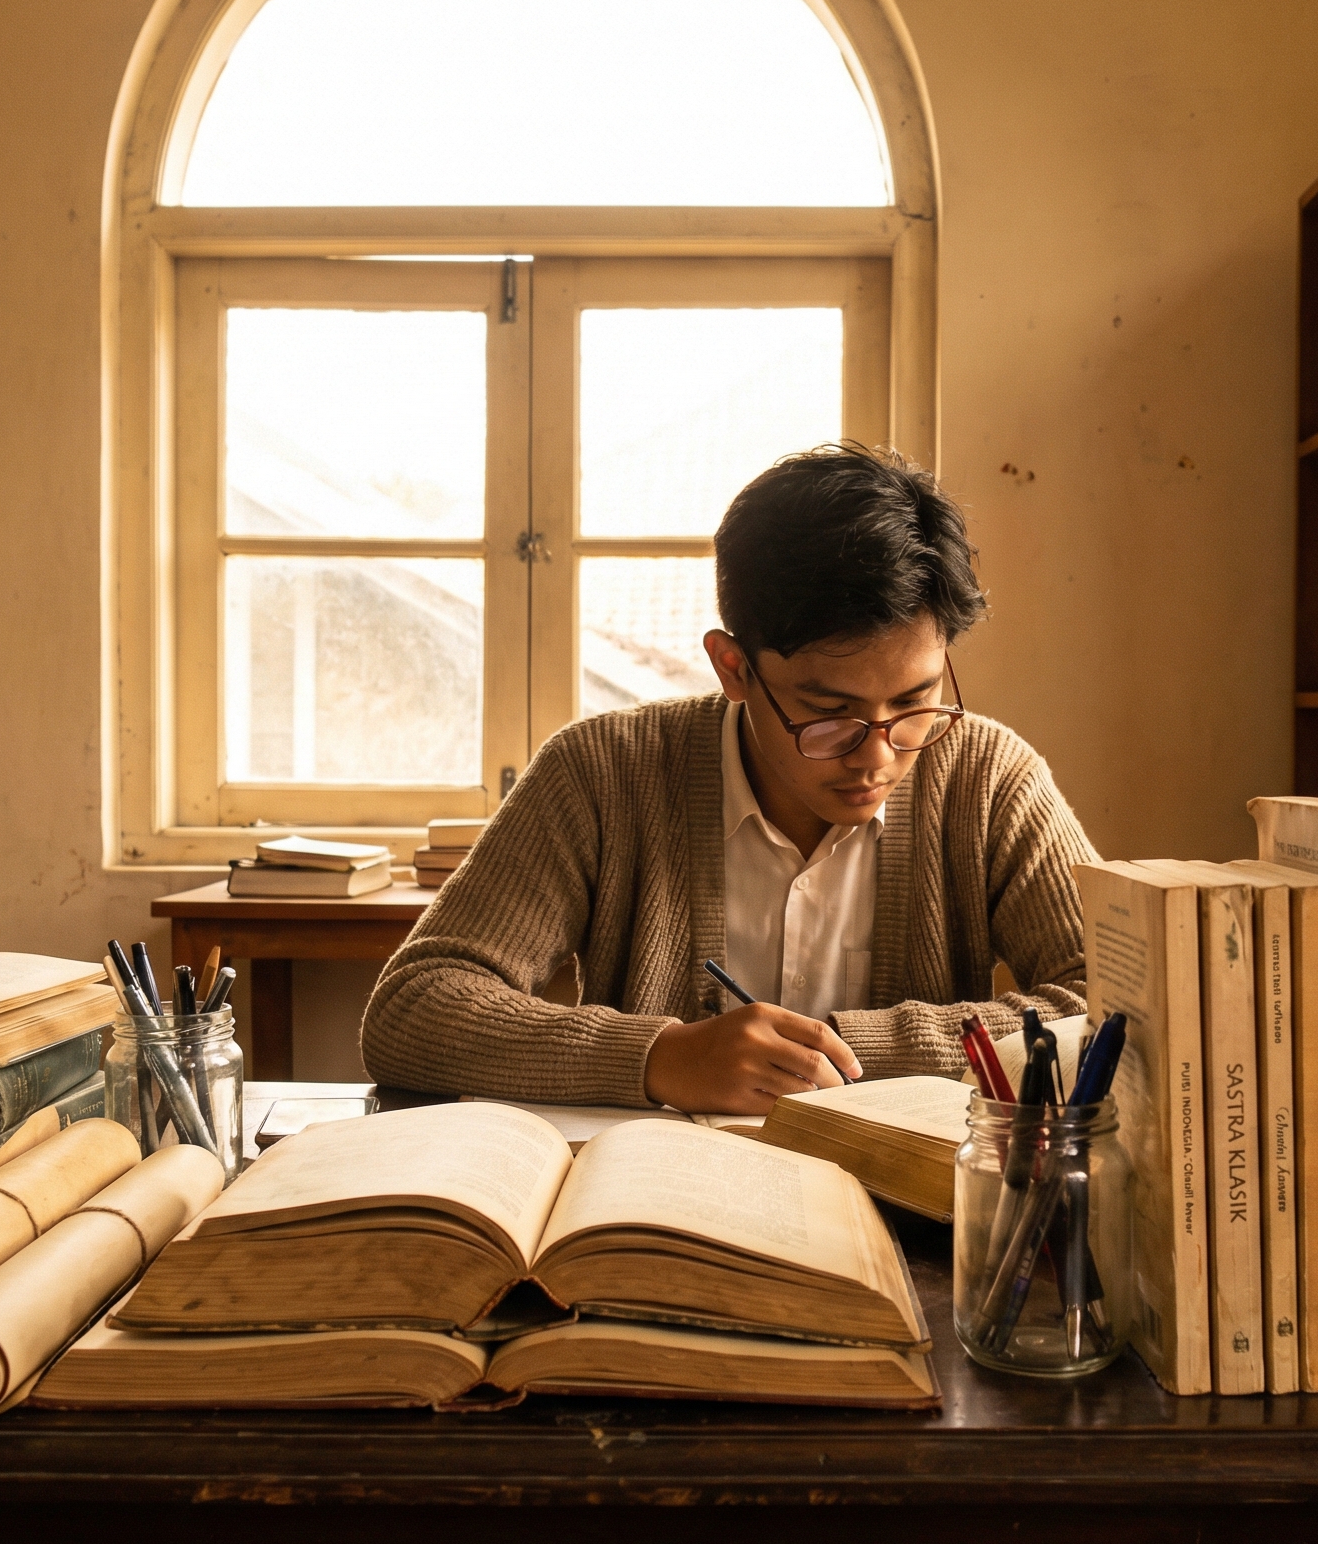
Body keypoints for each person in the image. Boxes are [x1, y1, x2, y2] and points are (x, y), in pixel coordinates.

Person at [360, 442, 1097, 1114]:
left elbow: (1113, 1006)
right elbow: (414, 1008)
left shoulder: (991, 779)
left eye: (913, 703)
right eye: (828, 714)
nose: (878, 756)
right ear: (733, 668)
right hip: (655, 1215)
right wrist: (660, 1057)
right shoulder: (602, 773)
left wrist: (838, 1051)